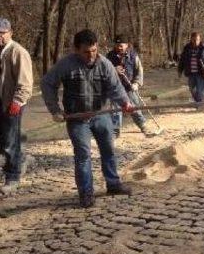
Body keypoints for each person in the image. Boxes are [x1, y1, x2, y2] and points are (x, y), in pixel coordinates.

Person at [41, 29, 135, 208]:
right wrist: (55, 110)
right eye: (86, 51)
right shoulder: (66, 65)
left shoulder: (105, 64)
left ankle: (113, 184)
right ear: (76, 49)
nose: (91, 55)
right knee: (83, 155)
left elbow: (115, 87)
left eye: (94, 50)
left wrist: (125, 103)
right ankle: (86, 193)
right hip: (77, 119)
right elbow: (47, 83)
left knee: (108, 150)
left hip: (102, 115)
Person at [0, 17, 33, 194]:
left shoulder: (18, 52)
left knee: (10, 142)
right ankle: (19, 156)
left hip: (11, 103)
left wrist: (17, 102)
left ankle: (12, 177)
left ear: (10, 32)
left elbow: (25, 83)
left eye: (2, 32)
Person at [106, 35, 155, 137]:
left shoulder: (133, 56)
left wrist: (136, 83)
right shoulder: (109, 57)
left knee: (134, 107)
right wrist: (114, 70)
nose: (119, 47)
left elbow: (139, 71)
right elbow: (105, 71)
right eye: (117, 45)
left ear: (126, 45)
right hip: (115, 88)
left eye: (121, 45)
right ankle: (115, 130)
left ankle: (142, 125)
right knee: (115, 109)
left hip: (129, 86)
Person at [178, 32, 204, 103]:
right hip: (191, 73)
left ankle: (200, 102)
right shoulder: (187, 48)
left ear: (200, 39)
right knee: (191, 89)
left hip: (200, 73)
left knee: (200, 90)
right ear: (191, 39)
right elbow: (182, 60)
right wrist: (180, 71)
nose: (195, 42)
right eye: (193, 40)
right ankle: (198, 101)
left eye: (197, 40)